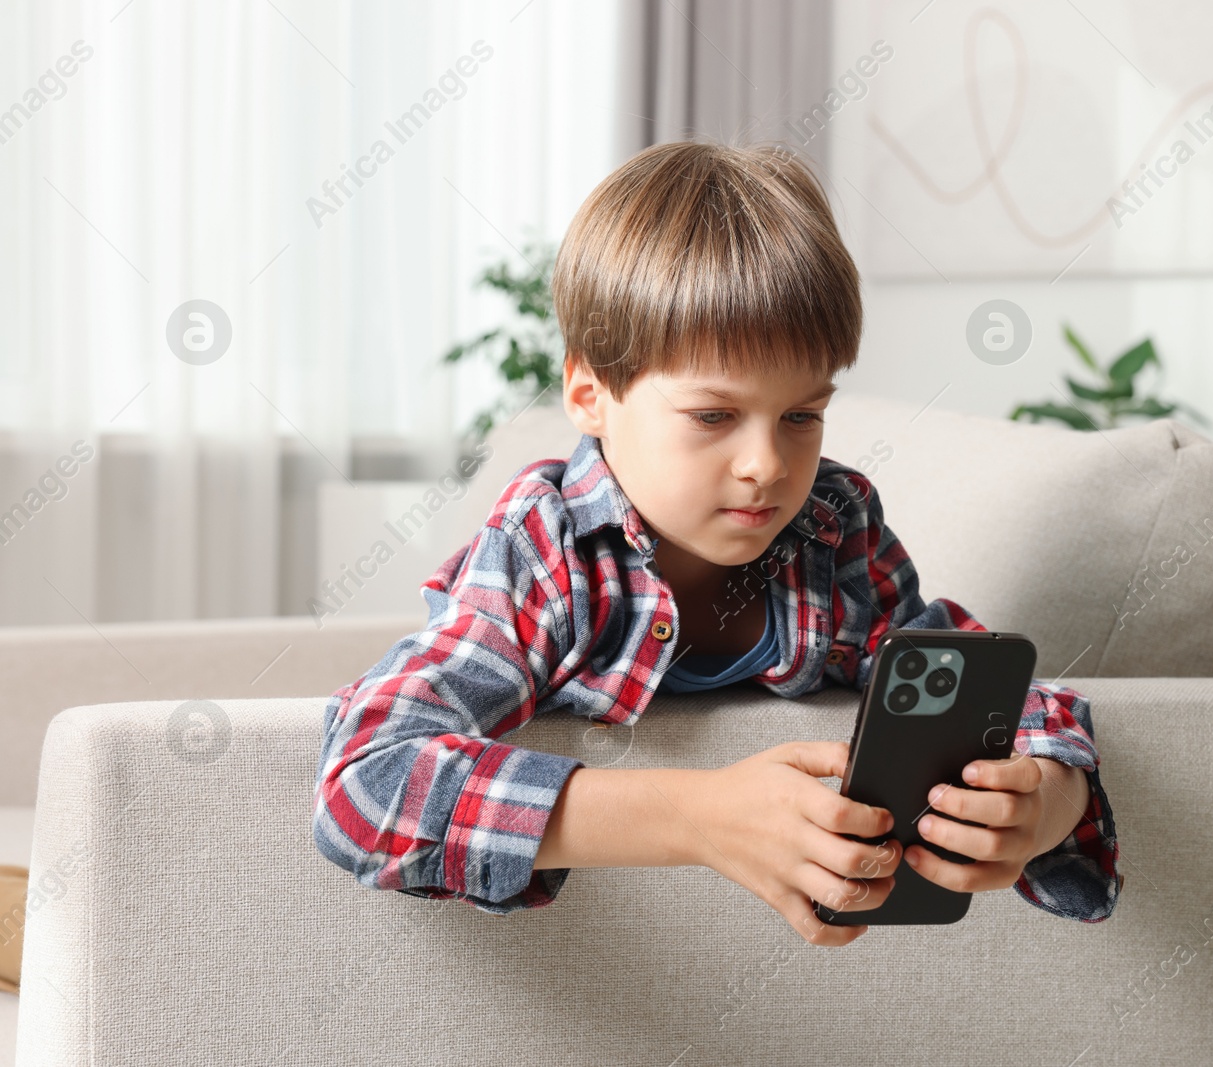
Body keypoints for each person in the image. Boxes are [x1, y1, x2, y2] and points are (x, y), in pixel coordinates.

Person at [312, 139, 1122, 947]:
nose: (767, 466)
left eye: (801, 416)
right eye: (712, 416)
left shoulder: (833, 526)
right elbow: (366, 779)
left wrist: (1050, 800)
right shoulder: (547, 546)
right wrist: (702, 817)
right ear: (590, 393)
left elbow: (971, 676)